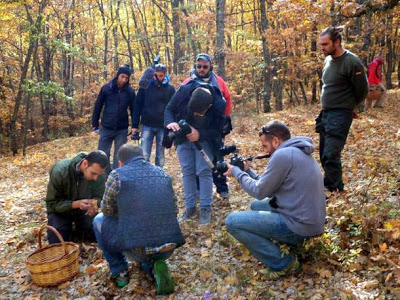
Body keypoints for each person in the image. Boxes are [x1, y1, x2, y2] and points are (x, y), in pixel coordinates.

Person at [224, 121, 326, 280]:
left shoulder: (282, 155)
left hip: (299, 227)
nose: (264, 150)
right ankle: (281, 247)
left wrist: (236, 172)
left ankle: (283, 263)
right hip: (310, 221)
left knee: (232, 221)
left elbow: (258, 191)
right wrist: (247, 170)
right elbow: (268, 188)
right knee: (256, 205)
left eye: (265, 146)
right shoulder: (297, 152)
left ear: (276, 141)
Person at [93, 144, 185, 294]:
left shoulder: (117, 175)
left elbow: (107, 210)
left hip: (138, 247)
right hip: (169, 245)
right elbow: (174, 210)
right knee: (145, 234)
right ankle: (153, 267)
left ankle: (120, 270)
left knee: (98, 220)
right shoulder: (163, 173)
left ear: (121, 162)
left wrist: (124, 214)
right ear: (143, 157)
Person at [164, 84, 225, 226]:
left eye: (199, 113)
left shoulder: (218, 103)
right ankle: (190, 208)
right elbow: (169, 109)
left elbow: (218, 130)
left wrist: (199, 134)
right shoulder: (184, 91)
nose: (195, 115)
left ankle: (205, 208)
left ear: (209, 106)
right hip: (182, 138)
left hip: (205, 141)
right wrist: (170, 122)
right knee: (187, 172)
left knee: (204, 171)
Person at [317, 26, 368, 192]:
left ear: (337, 42)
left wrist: (350, 106)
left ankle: (335, 190)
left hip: (340, 115)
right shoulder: (328, 60)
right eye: (321, 44)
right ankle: (332, 186)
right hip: (326, 113)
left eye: (325, 44)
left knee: (330, 155)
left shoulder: (352, 62)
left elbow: (362, 90)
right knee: (324, 155)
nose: (322, 48)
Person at [183, 53, 233, 200]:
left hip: (215, 129)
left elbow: (227, 99)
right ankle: (198, 190)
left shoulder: (219, 81)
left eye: (205, 66)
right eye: (199, 66)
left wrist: (225, 119)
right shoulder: (188, 82)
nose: (202, 69)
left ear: (210, 66)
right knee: (200, 160)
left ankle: (222, 188)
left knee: (218, 157)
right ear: (195, 67)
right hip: (196, 129)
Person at [45, 150, 108, 244]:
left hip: (83, 212)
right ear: (85, 163)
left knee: (97, 233)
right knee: (57, 241)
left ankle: (78, 231)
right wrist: (75, 204)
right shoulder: (60, 171)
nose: (95, 178)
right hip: (62, 211)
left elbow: (100, 197)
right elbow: (51, 205)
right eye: (93, 174)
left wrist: (94, 204)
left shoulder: (98, 174)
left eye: (98, 175)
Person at [92, 65, 136, 173]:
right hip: (106, 127)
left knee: (119, 155)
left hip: (121, 128)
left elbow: (134, 109)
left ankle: (117, 177)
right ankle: (105, 177)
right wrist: (95, 123)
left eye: (126, 78)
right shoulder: (107, 88)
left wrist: (135, 125)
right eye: (122, 77)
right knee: (102, 154)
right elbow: (98, 105)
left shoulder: (130, 92)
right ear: (118, 75)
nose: (124, 80)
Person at [132, 64, 176, 167]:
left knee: (160, 156)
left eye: (161, 75)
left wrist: (172, 126)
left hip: (163, 126)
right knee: (144, 154)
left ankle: (159, 177)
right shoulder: (145, 87)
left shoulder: (170, 89)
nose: (158, 78)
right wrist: (134, 125)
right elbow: (137, 105)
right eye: (156, 75)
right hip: (147, 124)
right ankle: (144, 176)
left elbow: (174, 108)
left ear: (165, 75)